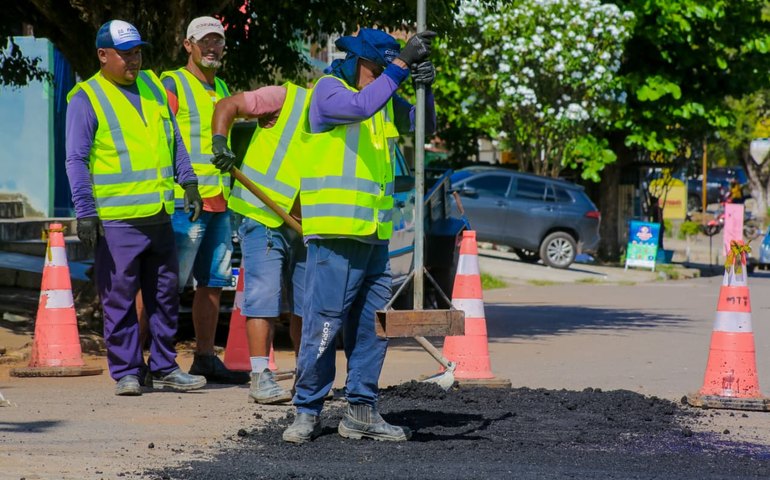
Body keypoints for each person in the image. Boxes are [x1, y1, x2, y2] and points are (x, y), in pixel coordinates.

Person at [282, 28, 437, 443]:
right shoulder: (328, 91)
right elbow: (360, 107)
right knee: (324, 327)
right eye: (377, 69)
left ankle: (361, 411)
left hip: (374, 239)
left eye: (386, 70)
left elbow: (424, 127)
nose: (382, 77)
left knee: (372, 329)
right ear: (355, 61)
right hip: (335, 236)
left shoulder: (381, 94)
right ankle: (307, 410)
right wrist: (401, 66)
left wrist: (425, 92)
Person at [65, 20, 206, 396]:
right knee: (119, 299)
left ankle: (164, 366)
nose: (134, 60)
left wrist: (189, 182)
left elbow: (174, 139)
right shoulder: (86, 98)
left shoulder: (153, 86)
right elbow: (76, 160)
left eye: (138, 53)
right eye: (125, 54)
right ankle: (127, 371)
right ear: (102, 55)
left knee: (165, 297)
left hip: (159, 215)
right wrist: (85, 211)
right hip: (117, 221)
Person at [156, 16, 248, 384]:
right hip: (186, 203)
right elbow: (160, 137)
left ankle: (206, 358)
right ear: (188, 45)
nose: (212, 47)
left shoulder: (222, 87)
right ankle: (152, 363)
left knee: (212, 283)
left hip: (219, 201)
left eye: (217, 41)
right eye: (204, 41)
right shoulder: (172, 83)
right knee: (166, 285)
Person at [210, 81, 308, 403]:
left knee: (306, 303)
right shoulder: (285, 98)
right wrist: (220, 142)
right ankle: (260, 376)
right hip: (262, 214)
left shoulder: (345, 116)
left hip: (308, 223)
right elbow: (227, 105)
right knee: (263, 296)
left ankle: (306, 376)